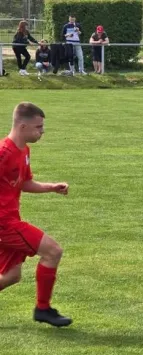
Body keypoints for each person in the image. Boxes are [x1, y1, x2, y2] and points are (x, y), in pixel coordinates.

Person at [0, 103, 72, 327]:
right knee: (53, 251)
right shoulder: (3, 153)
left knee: (12, 276)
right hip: (4, 223)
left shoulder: (24, 151)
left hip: (11, 219)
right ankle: (43, 309)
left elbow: (24, 182)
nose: (42, 131)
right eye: (38, 127)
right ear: (23, 126)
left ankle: (43, 309)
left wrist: (51, 187)